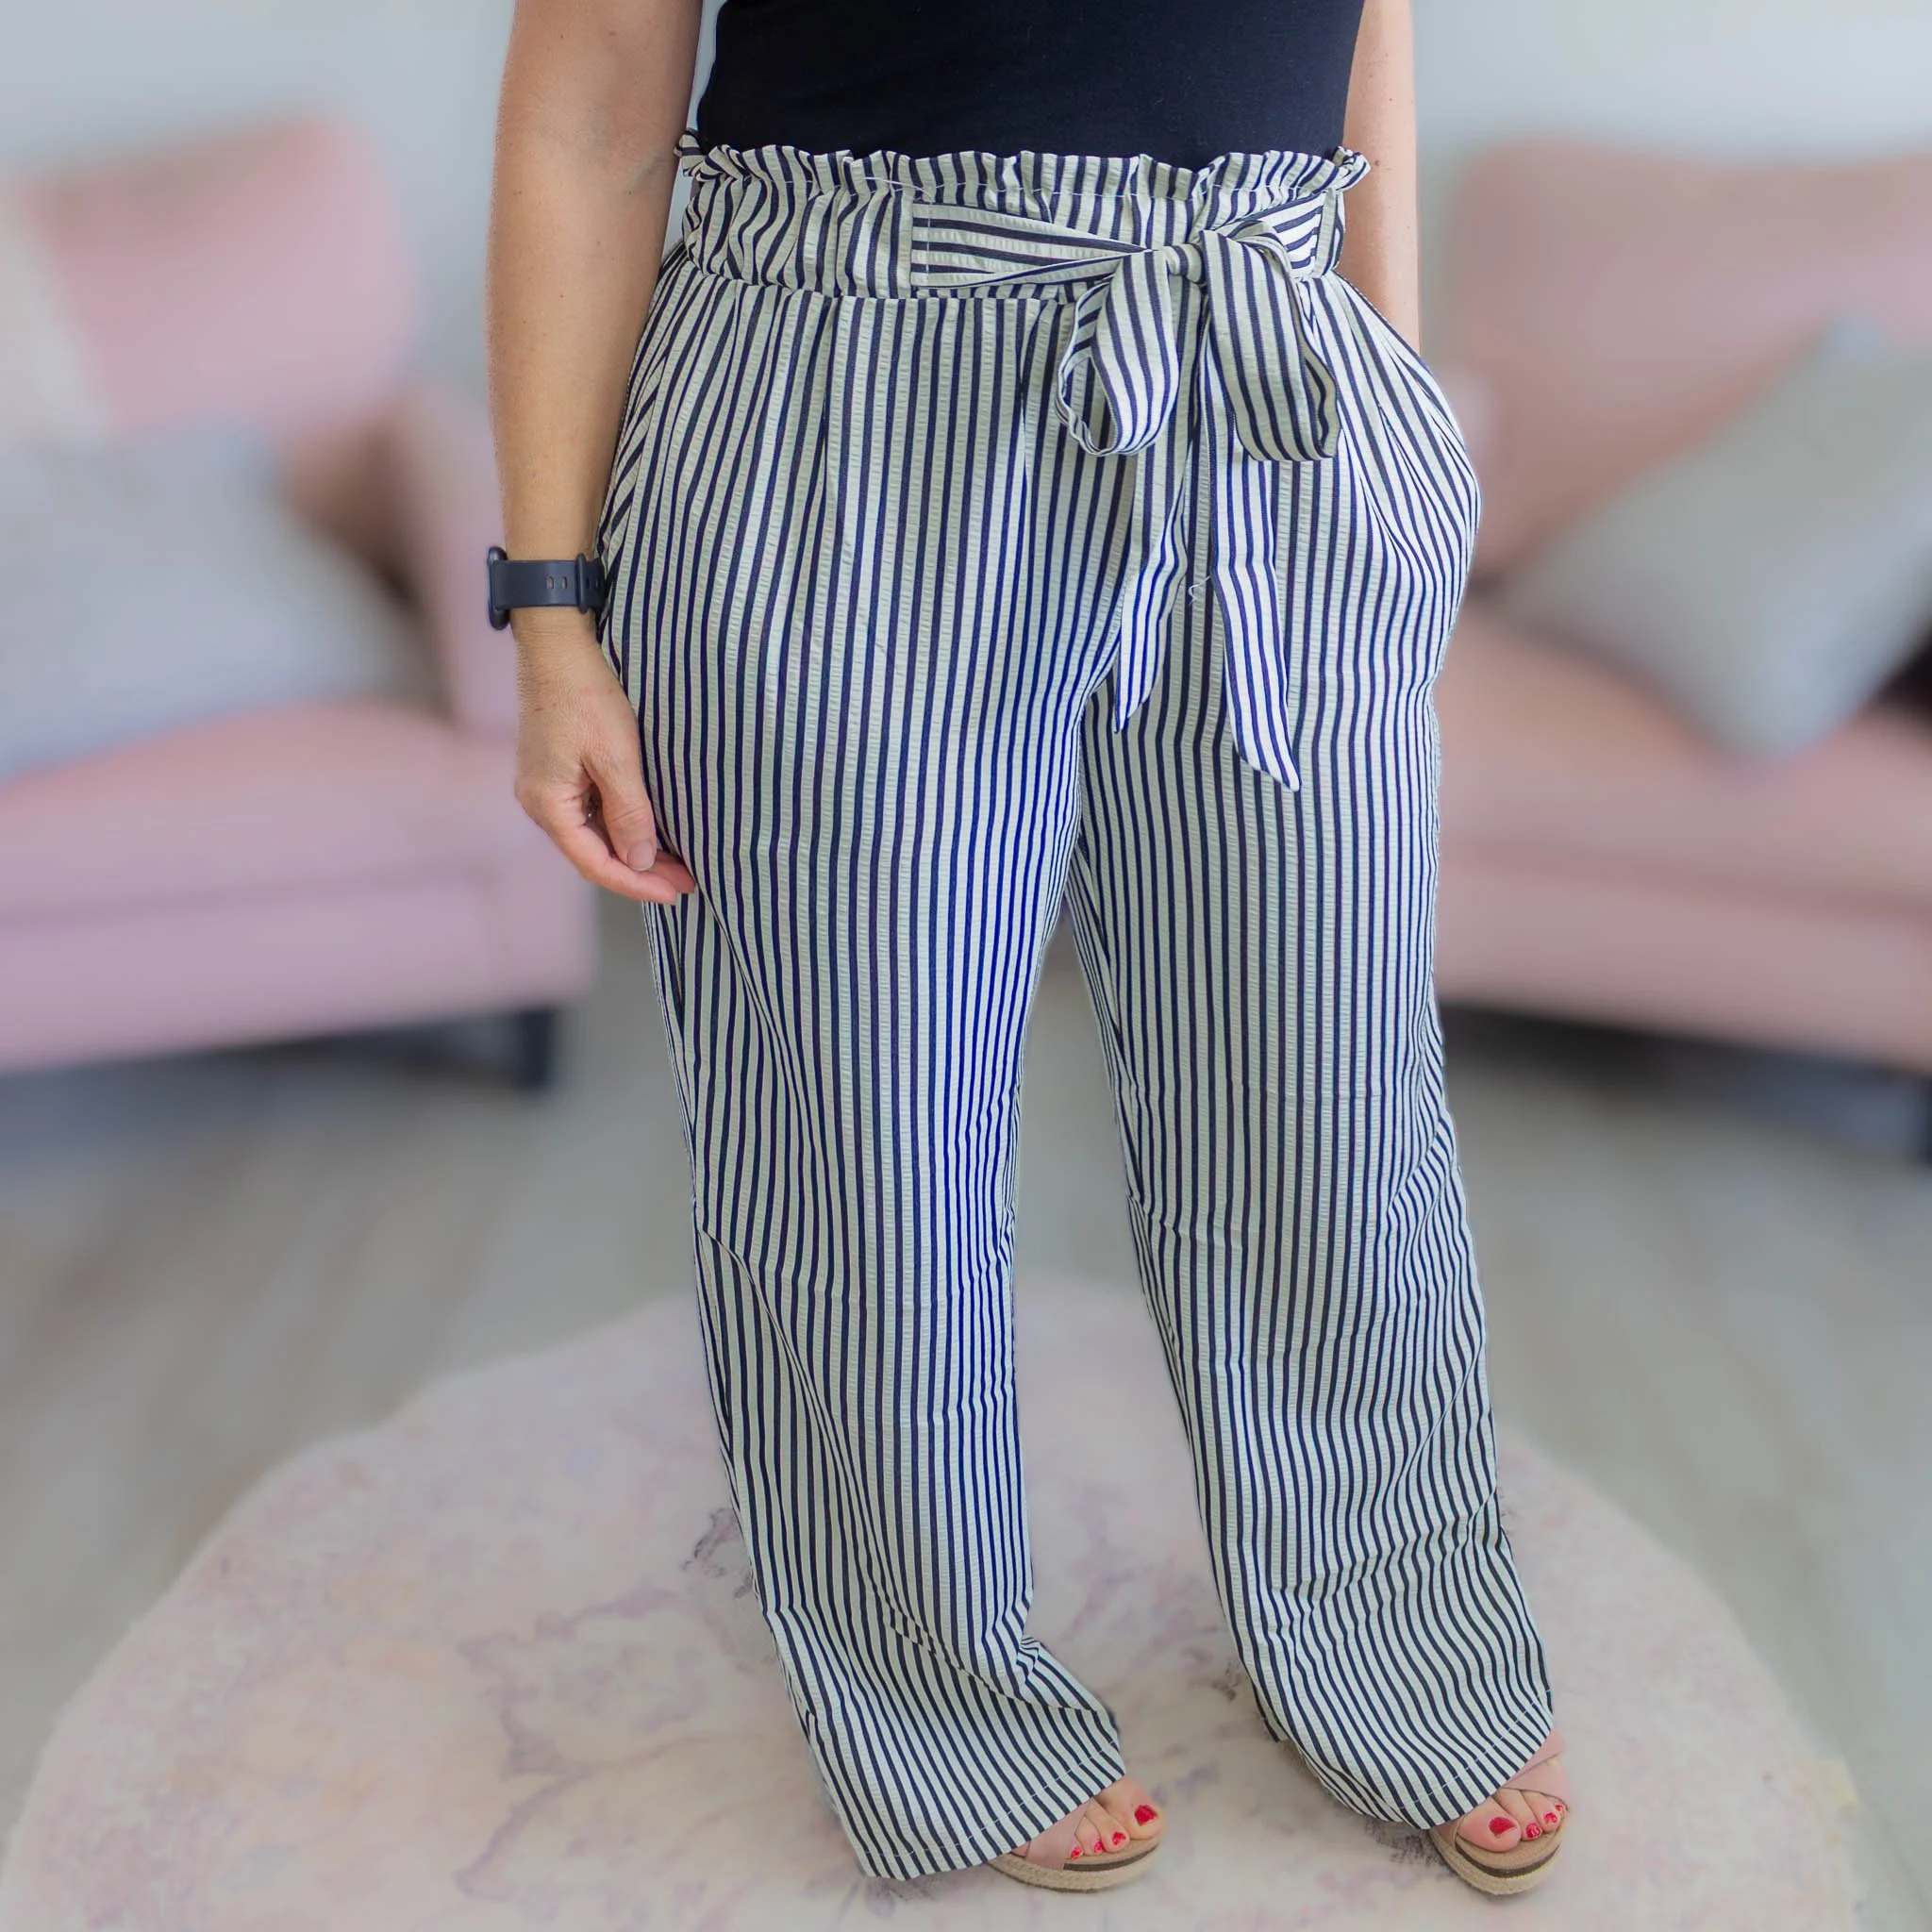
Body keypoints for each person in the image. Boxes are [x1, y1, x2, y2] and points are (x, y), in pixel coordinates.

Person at [487, 0, 1570, 1896]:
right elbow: (588, 109)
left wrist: (1390, 393)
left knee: (1325, 1104)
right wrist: (553, 616)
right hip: (836, 399)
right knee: (858, 1137)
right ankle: (937, 1704)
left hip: (1268, 380)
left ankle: (1400, 1650)